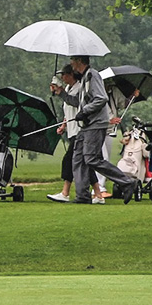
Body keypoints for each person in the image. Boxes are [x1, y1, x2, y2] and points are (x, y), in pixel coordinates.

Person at [50, 56, 138, 204]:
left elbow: (101, 98)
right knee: (77, 158)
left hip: (96, 124)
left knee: (91, 159)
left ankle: (127, 182)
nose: (71, 63)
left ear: (80, 61)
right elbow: (76, 101)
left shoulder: (93, 75)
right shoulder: (85, 78)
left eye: (73, 60)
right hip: (86, 126)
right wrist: (61, 93)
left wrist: (84, 111)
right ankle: (83, 196)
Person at [47, 65, 102, 203]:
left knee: (68, 160)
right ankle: (98, 194)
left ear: (71, 74)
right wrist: (64, 125)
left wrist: (60, 93)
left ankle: (65, 192)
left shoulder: (80, 87)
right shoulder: (67, 89)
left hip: (80, 130)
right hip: (71, 130)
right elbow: (68, 110)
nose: (62, 78)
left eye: (64, 75)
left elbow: (76, 102)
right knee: (85, 165)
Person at [94, 84, 140, 197]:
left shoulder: (114, 91)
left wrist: (132, 97)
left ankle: (100, 188)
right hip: (98, 129)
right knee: (101, 158)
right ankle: (99, 188)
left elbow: (123, 104)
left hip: (109, 130)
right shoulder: (95, 93)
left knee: (106, 159)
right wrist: (109, 120)